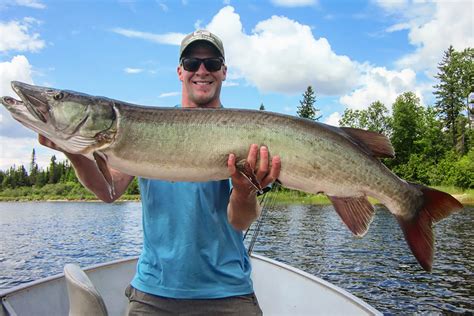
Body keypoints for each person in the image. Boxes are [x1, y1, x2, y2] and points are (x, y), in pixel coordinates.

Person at [39, 29, 281, 315]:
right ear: (180, 71)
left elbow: (240, 221)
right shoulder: (137, 131)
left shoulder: (243, 137)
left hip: (228, 293)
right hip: (153, 293)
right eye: (192, 63)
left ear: (224, 72)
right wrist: (74, 151)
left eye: (212, 63)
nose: (201, 71)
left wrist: (244, 189)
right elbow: (108, 191)